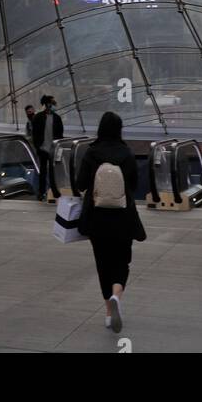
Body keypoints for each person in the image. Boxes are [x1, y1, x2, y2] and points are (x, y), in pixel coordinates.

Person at [76, 111, 143, 332]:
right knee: (122, 262)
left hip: (96, 218)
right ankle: (117, 295)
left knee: (103, 264)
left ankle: (107, 312)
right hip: (123, 217)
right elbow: (133, 185)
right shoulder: (126, 153)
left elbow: (81, 183)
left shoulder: (91, 152)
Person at [31, 94, 63, 202]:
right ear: (47, 104)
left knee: (53, 172)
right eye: (52, 103)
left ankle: (53, 192)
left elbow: (60, 134)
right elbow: (34, 134)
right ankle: (42, 192)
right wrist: (38, 146)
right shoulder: (38, 117)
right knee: (43, 171)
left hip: (53, 148)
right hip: (43, 149)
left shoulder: (57, 118)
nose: (54, 105)